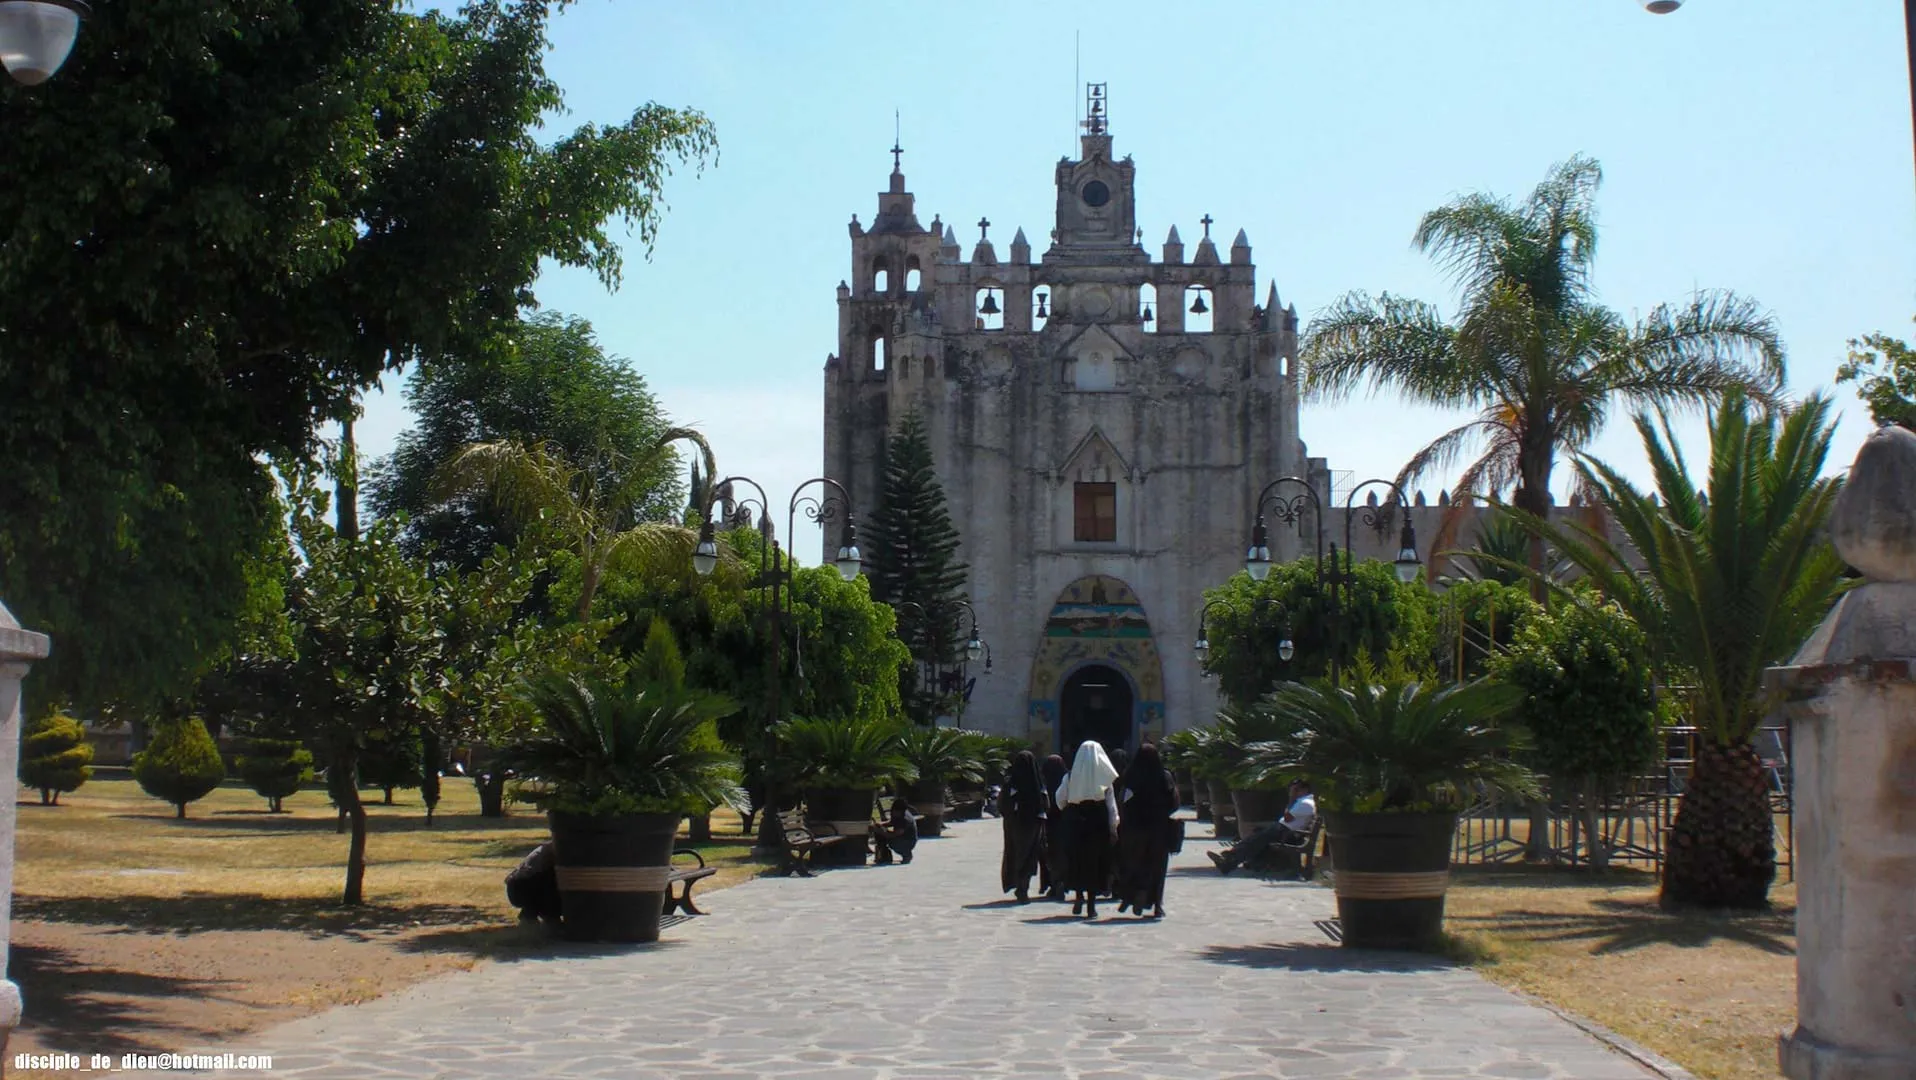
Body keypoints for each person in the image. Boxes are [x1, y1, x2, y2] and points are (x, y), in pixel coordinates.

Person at [1056, 740, 1120, 918]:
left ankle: (1078, 897)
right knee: (1095, 863)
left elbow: (1060, 800)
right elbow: (1111, 807)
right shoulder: (1105, 780)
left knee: (1077, 859)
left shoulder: (1069, 777)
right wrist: (1113, 827)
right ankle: (1091, 905)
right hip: (1097, 825)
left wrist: (1072, 808)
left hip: (1076, 823)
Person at [1113, 743, 1177, 918]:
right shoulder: (1164, 777)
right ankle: (1157, 904)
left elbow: (1123, 801)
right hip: (1159, 829)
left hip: (1134, 829)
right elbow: (1174, 803)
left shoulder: (1131, 776)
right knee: (1158, 866)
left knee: (1134, 862)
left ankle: (1132, 894)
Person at [1208, 779, 1316, 875]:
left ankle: (1229, 860)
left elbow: (1287, 818)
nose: (1293, 792)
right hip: (1284, 830)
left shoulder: (1305, 803)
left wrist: (1291, 798)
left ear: (1305, 790)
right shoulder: (1303, 802)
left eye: (1296, 790)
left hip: (1288, 833)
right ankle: (1230, 859)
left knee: (1256, 839)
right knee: (1255, 837)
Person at [998, 750, 1046, 901]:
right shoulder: (1037, 783)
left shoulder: (1010, 784)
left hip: (1014, 825)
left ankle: (1018, 884)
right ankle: (1023, 887)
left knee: (1015, 853)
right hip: (1033, 825)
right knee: (1029, 854)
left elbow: (1002, 805)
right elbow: (1045, 804)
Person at [1039, 753, 1069, 901]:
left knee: (1049, 854)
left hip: (1047, 824)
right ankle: (1063, 881)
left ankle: (1052, 883)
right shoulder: (1068, 782)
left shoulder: (1041, 783)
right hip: (1064, 823)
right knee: (1064, 853)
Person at [871, 794, 919, 865]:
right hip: (900, 836)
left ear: (900, 811)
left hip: (907, 841)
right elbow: (892, 822)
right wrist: (880, 824)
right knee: (879, 831)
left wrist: (881, 832)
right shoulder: (897, 813)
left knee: (891, 841)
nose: (893, 813)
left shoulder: (905, 819)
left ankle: (906, 854)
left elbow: (894, 835)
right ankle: (883, 855)